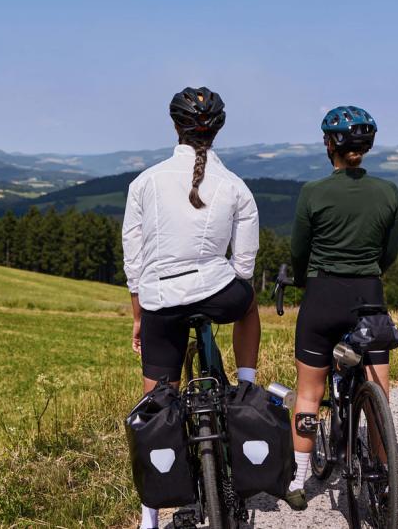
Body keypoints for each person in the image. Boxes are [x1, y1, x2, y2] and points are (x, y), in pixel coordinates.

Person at [122, 87, 261, 529]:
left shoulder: (144, 183)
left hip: (161, 302)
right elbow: (243, 267)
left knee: (155, 402)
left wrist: (139, 316)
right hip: (218, 294)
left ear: (175, 127)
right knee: (248, 301)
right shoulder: (236, 187)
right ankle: (245, 384)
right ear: (217, 129)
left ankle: (149, 516)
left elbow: (134, 260)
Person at [284, 106, 398, 510]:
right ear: (366, 147)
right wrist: (369, 272)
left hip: (322, 296)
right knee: (379, 392)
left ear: (329, 144)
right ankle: (384, 480)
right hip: (369, 297)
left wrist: (303, 280)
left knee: (309, 394)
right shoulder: (388, 193)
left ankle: (298, 480)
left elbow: (299, 252)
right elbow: (390, 254)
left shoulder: (313, 193)